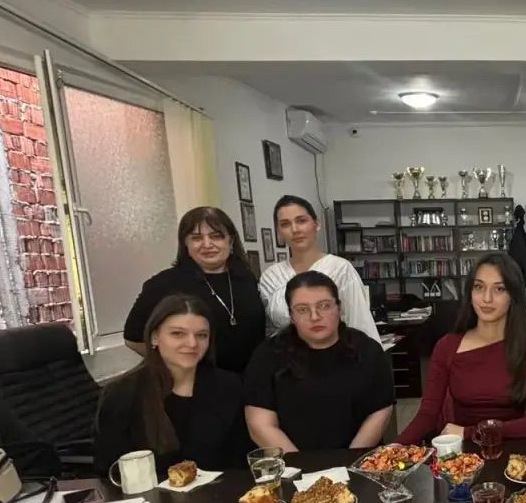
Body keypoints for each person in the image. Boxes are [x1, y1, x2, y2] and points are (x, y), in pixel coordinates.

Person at [397, 252, 526, 445]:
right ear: (470, 293)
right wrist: (394, 448)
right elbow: (427, 414)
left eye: (499, 289)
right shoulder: (447, 346)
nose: (487, 298)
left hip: (513, 453)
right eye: (479, 287)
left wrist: (471, 432)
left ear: (513, 296)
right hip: (462, 455)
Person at [96, 294, 247, 476]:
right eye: (177, 334)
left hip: (221, 491)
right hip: (147, 493)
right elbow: (109, 471)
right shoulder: (122, 394)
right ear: (154, 337)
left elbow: (240, 462)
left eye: (201, 335)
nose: (192, 343)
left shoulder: (230, 386)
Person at [244, 271, 394, 452]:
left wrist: (351, 459)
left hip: (359, 459)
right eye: (302, 309)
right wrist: (300, 464)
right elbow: (260, 425)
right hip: (291, 461)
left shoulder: (368, 350)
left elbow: (380, 411)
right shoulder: (267, 355)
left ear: (339, 308)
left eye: (324, 306)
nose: (314, 316)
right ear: (291, 316)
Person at [125, 207, 265, 374]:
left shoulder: (246, 277)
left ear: (231, 240)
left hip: (253, 380)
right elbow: (133, 338)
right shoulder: (164, 283)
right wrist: (177, 365)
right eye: (197, 238)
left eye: (216, 236)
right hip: (196, 383)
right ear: (186, 244)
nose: (207, 244)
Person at [258, 195, 381, 344]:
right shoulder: (271, 277)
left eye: (301, 221)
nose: (295, 229)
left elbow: (360, 323)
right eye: (285, 224)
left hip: (337, 354)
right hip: (286, 355)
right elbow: (267, 332)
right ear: (278, 231)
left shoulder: (339, 269)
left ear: (316, 224)